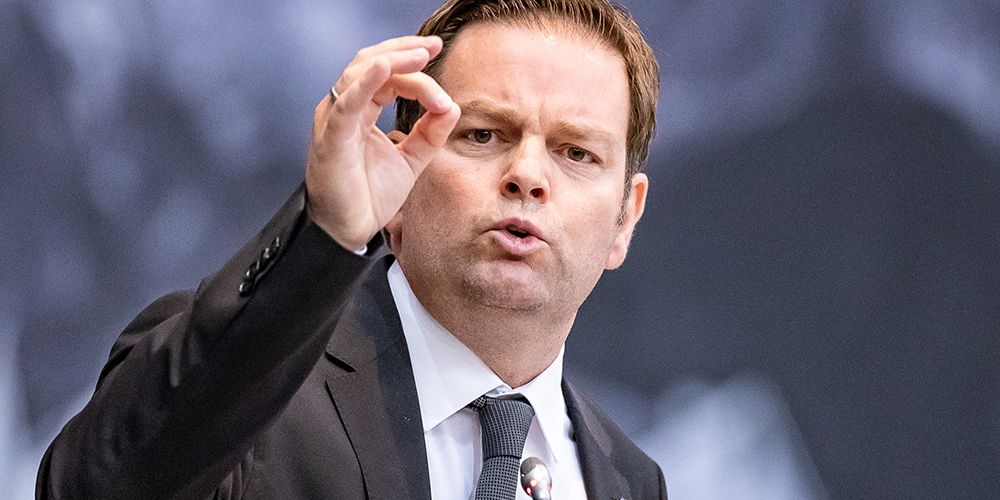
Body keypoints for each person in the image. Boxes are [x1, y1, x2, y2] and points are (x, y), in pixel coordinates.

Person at [36, 0, 664, 498]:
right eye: (482, 134)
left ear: (625, 219)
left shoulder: (632, 481)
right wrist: (328, 231)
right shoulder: (243, 385)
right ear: (401, 181)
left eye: (576, 152)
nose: (527, 174)